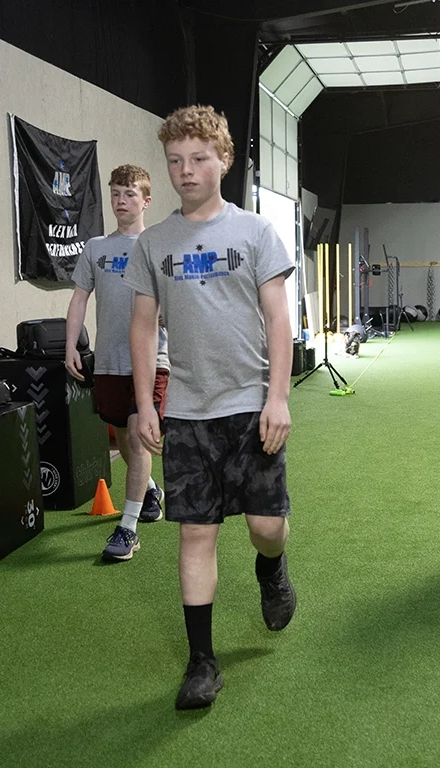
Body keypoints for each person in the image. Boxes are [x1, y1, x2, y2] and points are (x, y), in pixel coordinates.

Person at [123, 105, 296, 710]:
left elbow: (279, 318)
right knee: (196, 533)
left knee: (264, 527)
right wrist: (146, 403)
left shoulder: (254, 233)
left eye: (198, 158)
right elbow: (143, 328)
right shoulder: (154, 242)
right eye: (174, 160)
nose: (185, 170)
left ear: (223, 160)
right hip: (187, 411)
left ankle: (271, 570)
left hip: (250, 405)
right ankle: (202, 662)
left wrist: (278, 396)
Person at [65, 164, 170, 562]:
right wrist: (70, 345)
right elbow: (79, 298)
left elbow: (180, 296)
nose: (121, 201)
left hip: (152, 361)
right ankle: (150, 491)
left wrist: (170, 314)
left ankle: (127, 528)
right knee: (125, 441)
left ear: (145, 200)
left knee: (137, 431)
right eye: (115, 194)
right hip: (109, 361)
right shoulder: (95, 248)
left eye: (129, 194)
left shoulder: (157, 246)